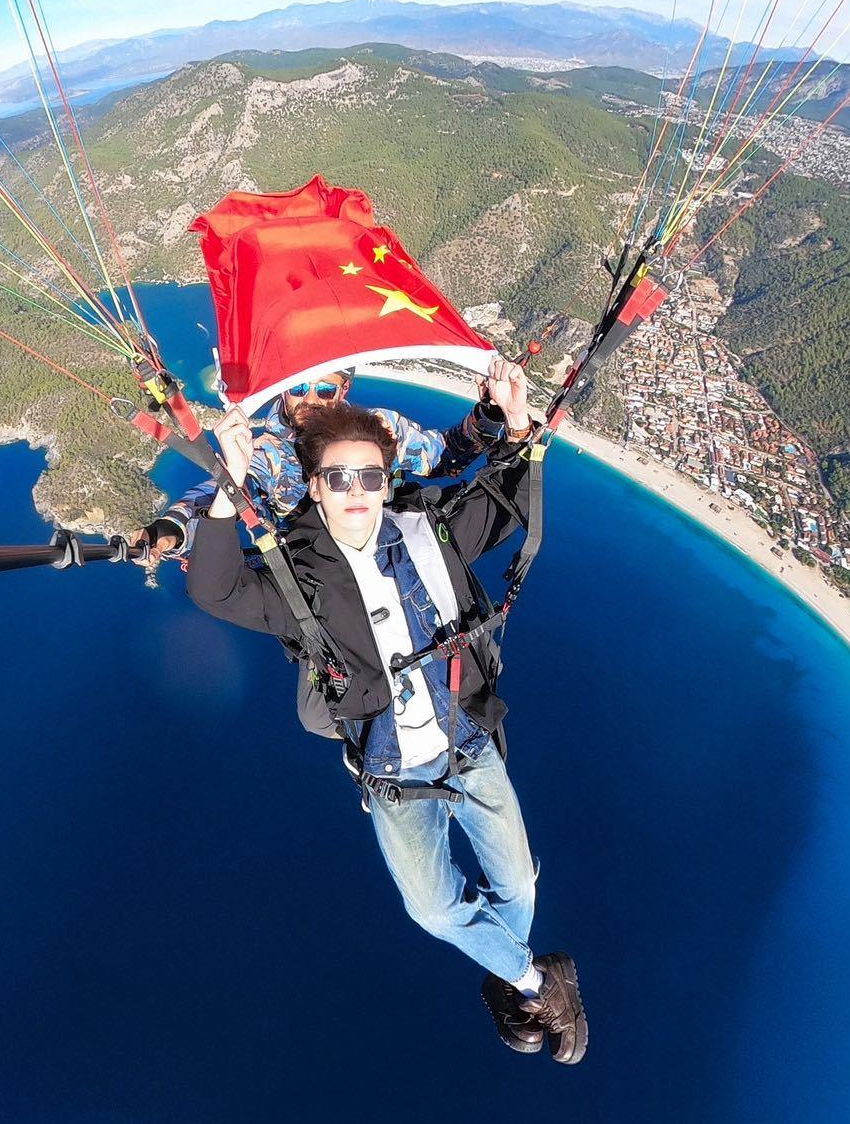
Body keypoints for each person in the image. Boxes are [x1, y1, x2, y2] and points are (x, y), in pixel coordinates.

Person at [184, 365, 587, 1054]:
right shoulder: (298, 576)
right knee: (433, 909)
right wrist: (228, 486)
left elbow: (506, 501)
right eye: (338, 478)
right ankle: (534, 983)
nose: (356, 491)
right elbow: (216, 588)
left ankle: (517, 979)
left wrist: (519, 424)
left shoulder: (429, 530)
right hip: (395, 769)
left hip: (464, 737)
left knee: (519, 886)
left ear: (385, 482)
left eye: (369, 477)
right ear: (315, 486)